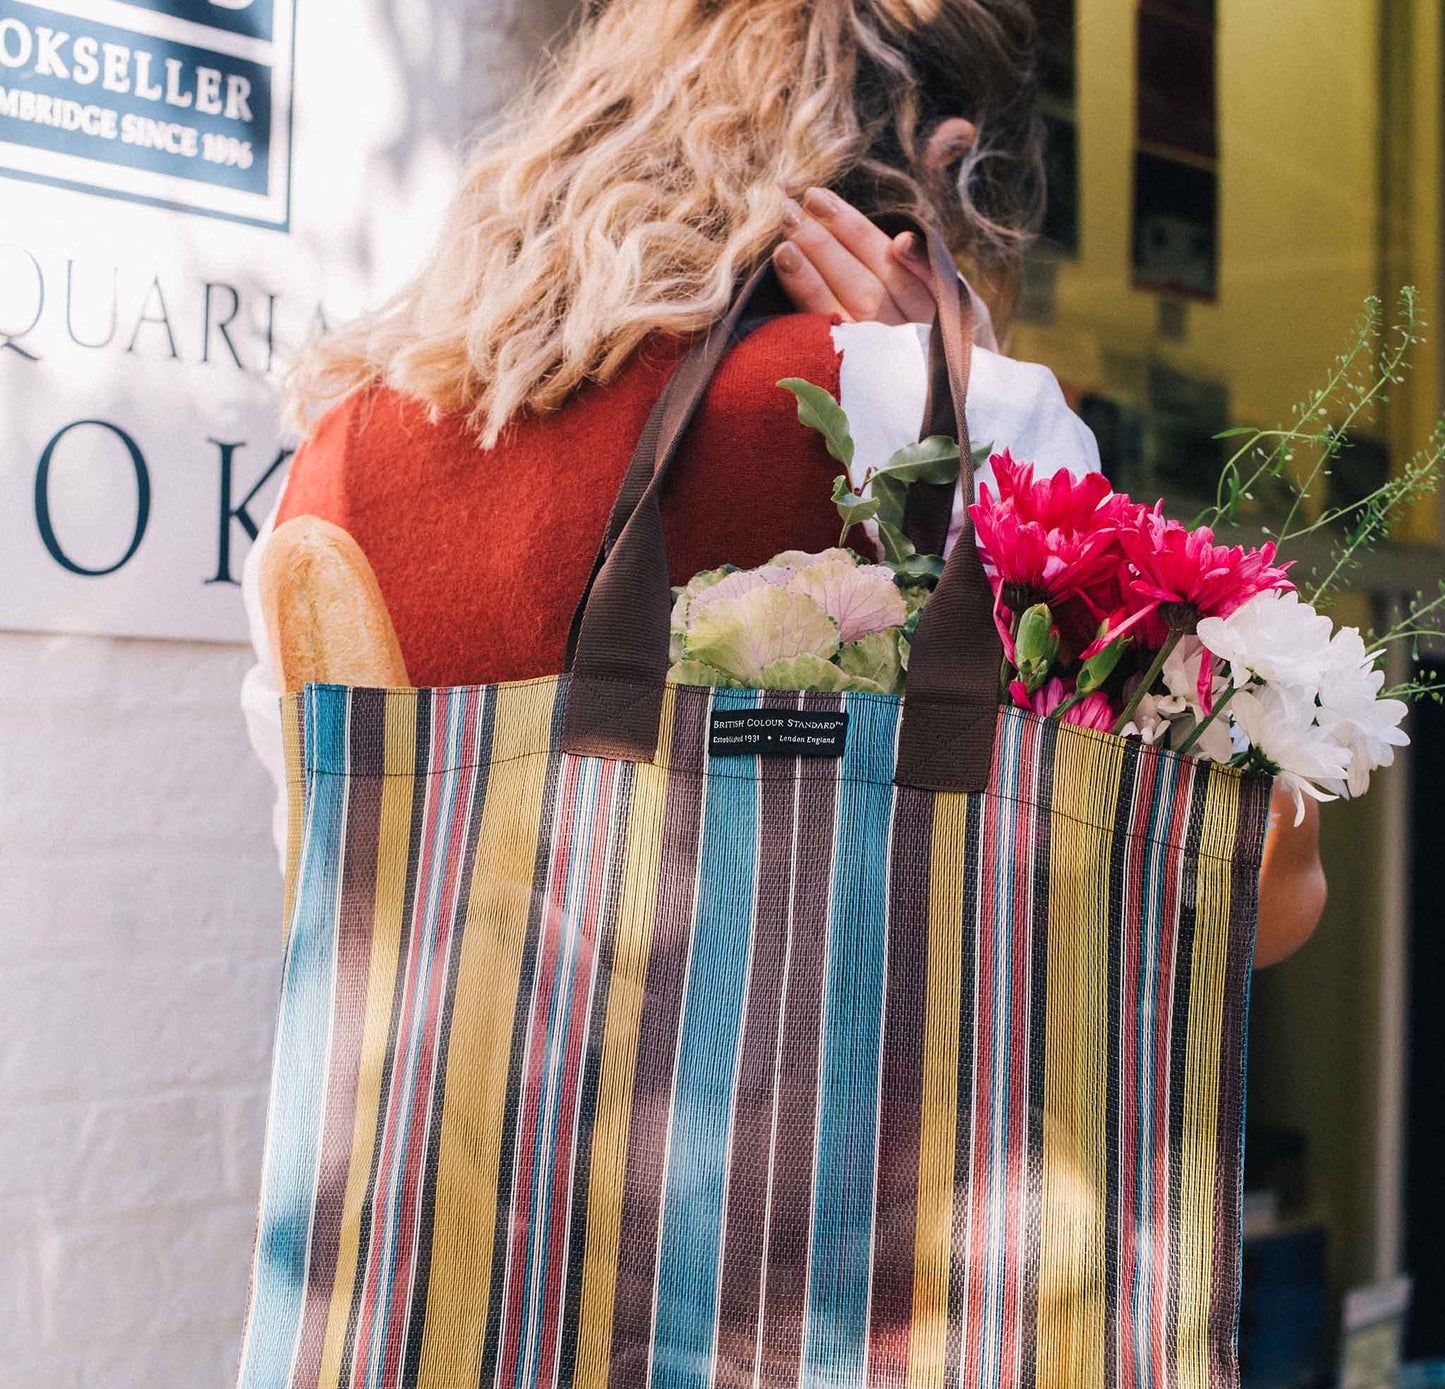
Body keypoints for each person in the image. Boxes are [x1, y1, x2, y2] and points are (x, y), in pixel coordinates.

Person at [240, 0, 1323, 965]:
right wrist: (968, 392)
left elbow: (334, 889)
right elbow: (1231, 896)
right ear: (950, 160)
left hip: (462, 1176)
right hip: (851, 1177)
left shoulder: (337, 449)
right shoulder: (931, 416)